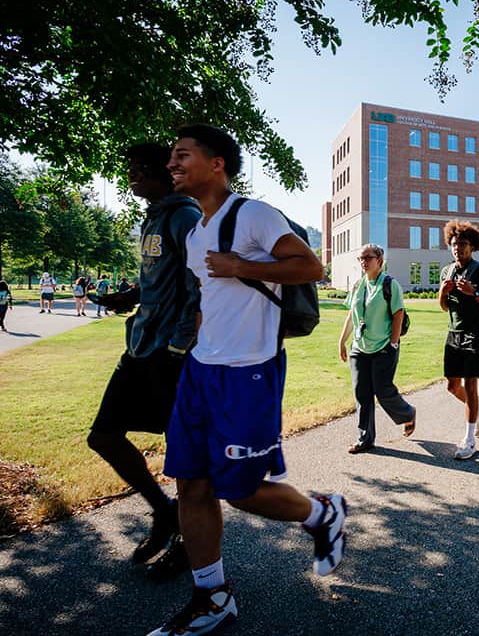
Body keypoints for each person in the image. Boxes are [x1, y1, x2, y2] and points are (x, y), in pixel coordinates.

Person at [149, 124, 339, 636]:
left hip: (249, 372)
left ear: (217, 164)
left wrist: (241, 265)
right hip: (201, 371)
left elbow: (311, 266)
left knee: (243, 490)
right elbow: (211, 302)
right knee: (190, 483)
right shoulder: (193, 234)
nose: (172, 164)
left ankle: (321, 513)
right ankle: (212, 597)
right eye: (171, 157)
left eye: (182, 156)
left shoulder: (252, 214)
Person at [86, 144, 202, 580]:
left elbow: (199, 286)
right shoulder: (154, 216)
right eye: (129, 167)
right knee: (103, 435)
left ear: (162, 173)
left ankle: (192, 547)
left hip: (168, 355)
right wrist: (132, 296)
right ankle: (163, 511)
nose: (131, 175)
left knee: (184, 459)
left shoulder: (183, 217)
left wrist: (178, 347)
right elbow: (161, 277)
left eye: (139, 169)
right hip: (139, 346)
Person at [338, 243, 416, 454]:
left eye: (368, 258)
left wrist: (393, 343)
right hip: (359, 347)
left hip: (383, 346)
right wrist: (342, 340)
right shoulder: (357, 286)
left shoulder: (390, 285)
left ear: (379, 261)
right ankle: (365, 439)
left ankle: (407, 414)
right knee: (361, 393)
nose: (363, 262)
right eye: (360, 258)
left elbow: (398, 313)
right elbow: (352, 315)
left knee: (382, 390)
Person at [438, 220, 479, 461]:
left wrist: (474, 293)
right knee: (453, 386)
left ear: (472, 246)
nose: (458, 249)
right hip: (453, 333)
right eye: (454, 245)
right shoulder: (447, 271)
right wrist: (443, 293)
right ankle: (478, 408)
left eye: (462, 244)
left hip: (474, 334)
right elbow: (444, 307)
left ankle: (469, 438)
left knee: (471, 385)